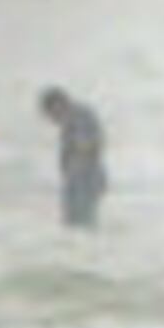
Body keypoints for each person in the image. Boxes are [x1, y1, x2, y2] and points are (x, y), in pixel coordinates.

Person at [37, 86, 106, 229]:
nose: (53, 120)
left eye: (51, 114)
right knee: (78, 224)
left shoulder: (79, 117)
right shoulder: (75, 117)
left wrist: (73, 167)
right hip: (81, 179)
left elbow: (85, 146)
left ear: (58, 105)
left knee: (80, 225)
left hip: (84, 179)